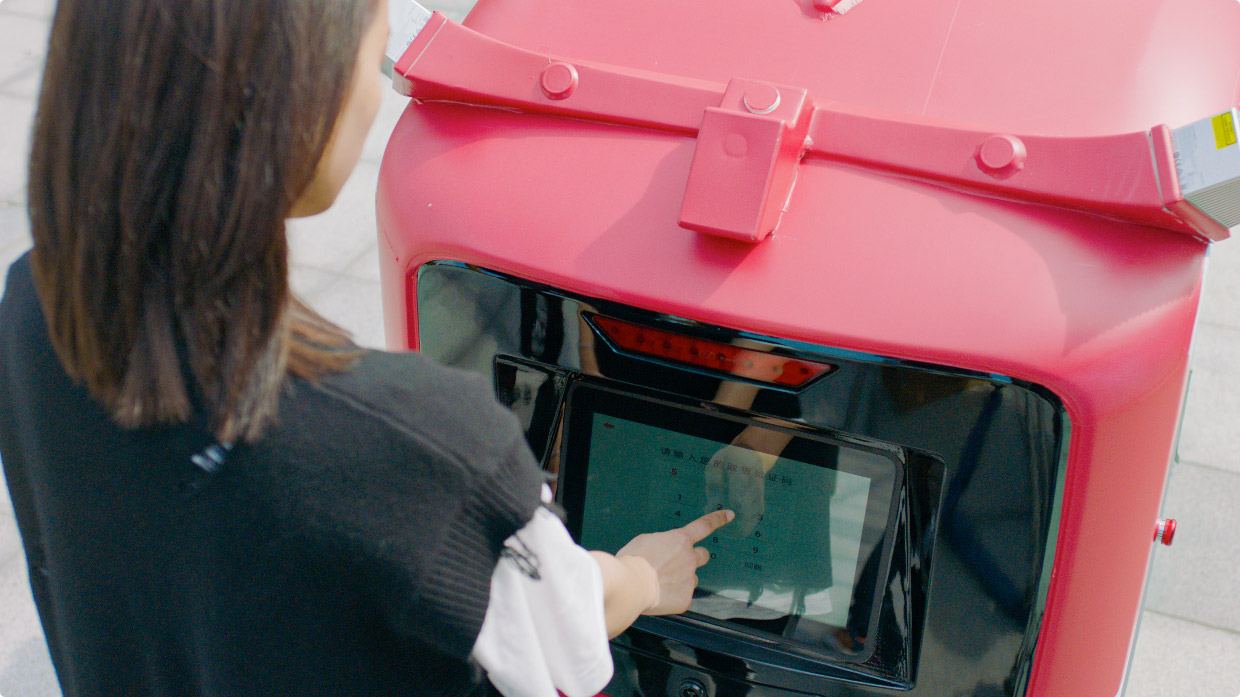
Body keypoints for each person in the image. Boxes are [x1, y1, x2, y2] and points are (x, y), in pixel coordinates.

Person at [0, 0, 732, 695]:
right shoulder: (422, 447)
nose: (380, 71)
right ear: (293, 94)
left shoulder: (32, 305)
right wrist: (641, 572)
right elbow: (564, 618)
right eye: (371, 44)